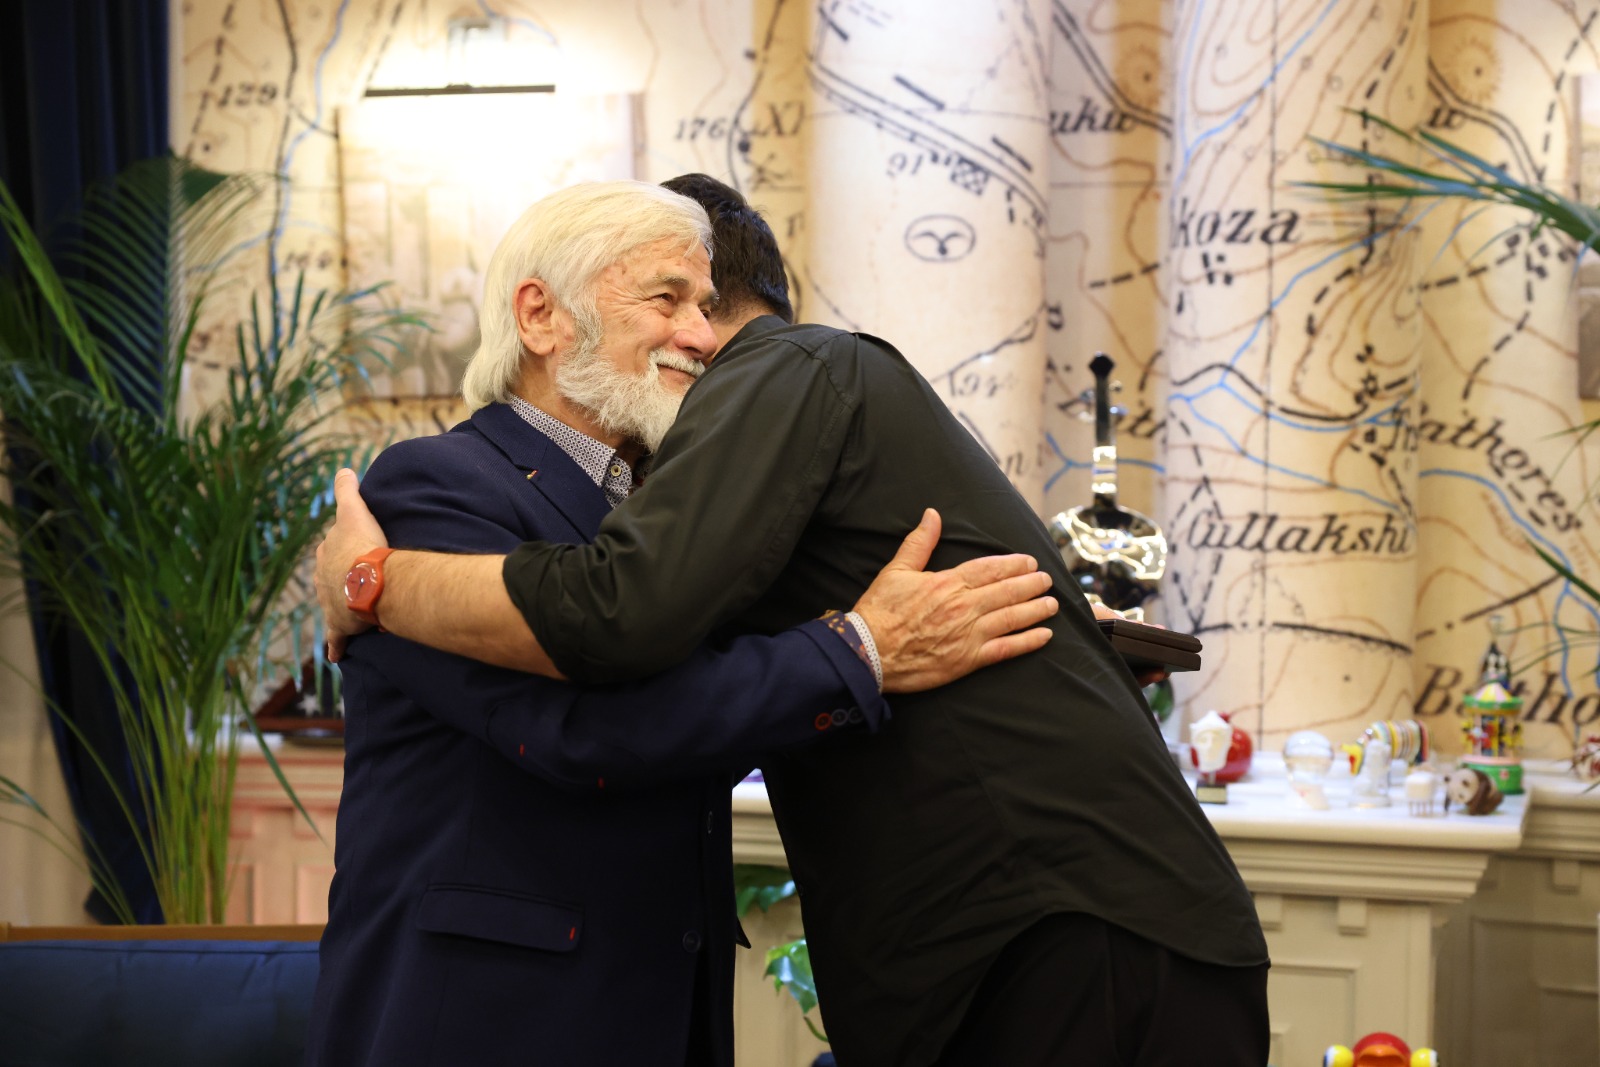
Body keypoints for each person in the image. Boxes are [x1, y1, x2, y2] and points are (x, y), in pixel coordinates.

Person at [316, 175, 1271, 1066]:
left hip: (673, 1004)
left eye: (707, 305)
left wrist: (1037, 633)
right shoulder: (426, 488)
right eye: (668, 300)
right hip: (488, 1013)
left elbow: (715, 696)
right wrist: (863, 646)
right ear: (540, 316)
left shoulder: (677, 516)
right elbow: (585, 729)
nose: (703, 335)